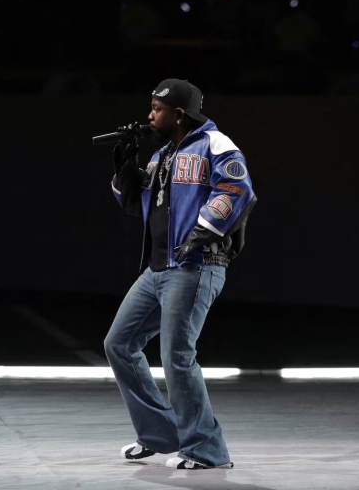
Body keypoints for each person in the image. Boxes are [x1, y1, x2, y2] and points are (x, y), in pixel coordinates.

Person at [104, 79, 256, 470]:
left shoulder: (215, 144)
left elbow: (237, 188)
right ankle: (159, 435)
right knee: (119, 344)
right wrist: (125, 169)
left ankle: (206, 449)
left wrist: (203, 230)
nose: (150, 114)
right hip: (158, 268)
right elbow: (138, 205)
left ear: (179, 113)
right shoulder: (162, 155)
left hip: (194, 266)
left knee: (177, 357)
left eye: (156, 108)